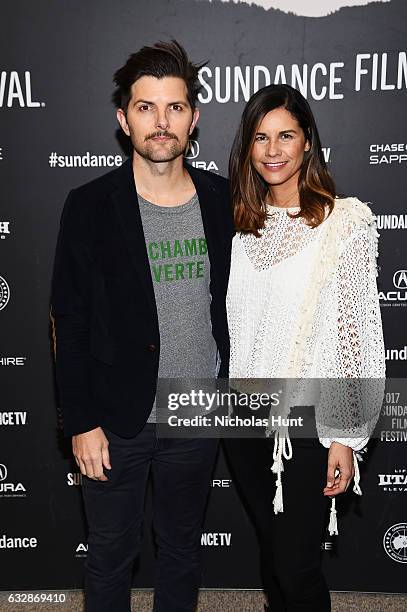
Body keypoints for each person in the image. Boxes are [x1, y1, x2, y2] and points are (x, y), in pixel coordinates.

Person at [50, 40, 233, 612]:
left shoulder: (222, 200)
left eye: (174, 107)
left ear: (194, 118)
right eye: (146, 107)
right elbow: (69, 319)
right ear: (123, 118)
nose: (161, 121)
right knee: (110, 554)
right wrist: (80, 421)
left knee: (181, 550)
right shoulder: (89, 205)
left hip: (196, 413)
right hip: (115, 417)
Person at [224, 84, 385, 612]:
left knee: (297, 567)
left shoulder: (346, 222)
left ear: (308, 142)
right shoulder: (241, 228)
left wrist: (346, 437)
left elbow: (356, 337)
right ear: (247, 147)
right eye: (260, 137)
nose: (272, 150)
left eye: (285, 136)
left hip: (309, 422)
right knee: (273, 558)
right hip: (244, 417)